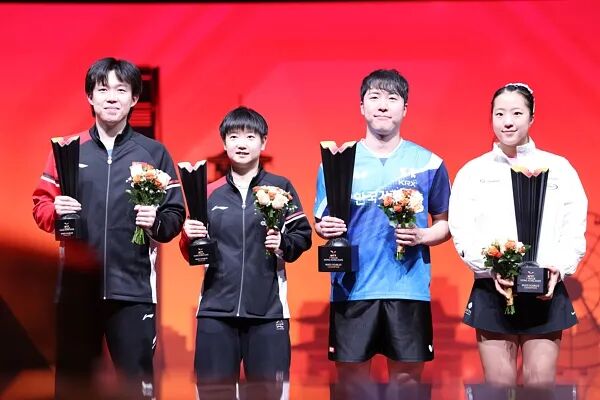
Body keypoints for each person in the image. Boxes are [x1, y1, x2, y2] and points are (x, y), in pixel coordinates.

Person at [32, 57, 185, 399]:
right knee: (72, 387)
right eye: (103, 90)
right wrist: (54, 210)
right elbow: (40, 206)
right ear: (90, 97)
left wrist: (156, 222)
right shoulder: (68, 151)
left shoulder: (154, 153)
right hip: (76, 291)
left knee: (137, 389)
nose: (112, 97)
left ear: (134, 99)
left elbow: (175, 214)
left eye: (121, 89)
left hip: (133, 292)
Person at [314, 69, 451, 384]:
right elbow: (321, 223)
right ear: (362, 107)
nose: (383, 105)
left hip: (409, 290)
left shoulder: (428, 163)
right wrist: (325, 228)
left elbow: (445, 224)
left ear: (405, 109)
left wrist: (422, 235)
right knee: (351, 383)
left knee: (407, 382)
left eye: (392, 98)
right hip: (351, 290)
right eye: (374, 97)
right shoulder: (335, 162)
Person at [448, 83, 587, 388]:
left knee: (540, 384)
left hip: (545, 288)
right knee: (499, 386)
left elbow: (573, 228)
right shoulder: (473, 172)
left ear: (532, 117)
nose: (507, 122)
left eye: (516, 113)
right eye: (499, 114)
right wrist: (491, 267)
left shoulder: (559, 168)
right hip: (493, 287)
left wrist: (559, 268)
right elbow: (462, 231)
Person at [179, 106, 312, 385]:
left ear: (263, 143)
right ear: (224, 142)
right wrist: (188, 236)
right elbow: (192, 252)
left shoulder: (280, 188)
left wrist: (282, 243)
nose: (242, 143)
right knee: (213, 393)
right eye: (234, 136)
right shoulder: (209, 193)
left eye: (251, 136)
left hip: (268, 313)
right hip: (216, 313)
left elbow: (302, 236)